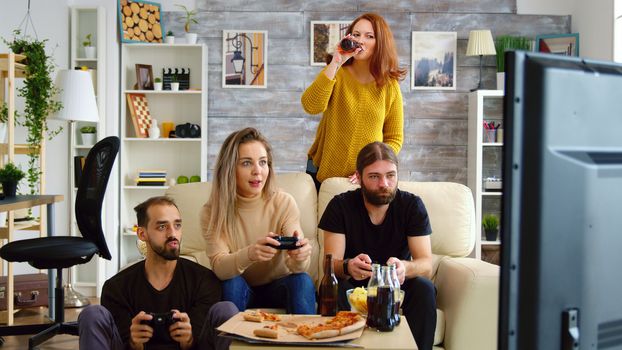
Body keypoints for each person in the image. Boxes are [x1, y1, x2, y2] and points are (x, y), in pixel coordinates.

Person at [78, 196, 238, 350]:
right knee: (92, 314)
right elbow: (121, 342)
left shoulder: (205, 281)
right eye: (162, 227)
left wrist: (188, 340)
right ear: (142, 234)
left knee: (226, 309)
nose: (173, 234)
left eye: (177, 225)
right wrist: (134, 343)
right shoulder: (116, 288)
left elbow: (201, 342)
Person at [320, 142, 436, 350]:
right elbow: (329, 265)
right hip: (356, 285)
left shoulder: (412, 206)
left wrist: (405, 267)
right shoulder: (340, 206)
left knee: (424, 288)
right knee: (335, 288)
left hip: (396, 286)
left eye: (390, 175)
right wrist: (348, 266)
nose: (384, 183)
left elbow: (426, 264)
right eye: (374, 176)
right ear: (359, 177)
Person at [201, 127, 316, 314]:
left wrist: (300, 257)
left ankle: (303, 342)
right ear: (230, 169)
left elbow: (298, 268)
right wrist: (251, 254)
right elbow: (220, 268)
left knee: (302, 280)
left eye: (263, 163)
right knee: (231, 283)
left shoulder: (283, 202)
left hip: (280, 285)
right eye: (247, 163)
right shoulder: (212, 211)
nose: (257, 171)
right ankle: (231, 342)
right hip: (240, 287)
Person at [302, 12, 406, 190]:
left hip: (364, 179)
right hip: (321, 173)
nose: (361, 40)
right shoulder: (338, 72)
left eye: (369, 36)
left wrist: (373, 168)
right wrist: (336, 62)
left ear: (380, 43)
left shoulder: (390, 86)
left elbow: (394, 138)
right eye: (356, 35)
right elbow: (311, 106)